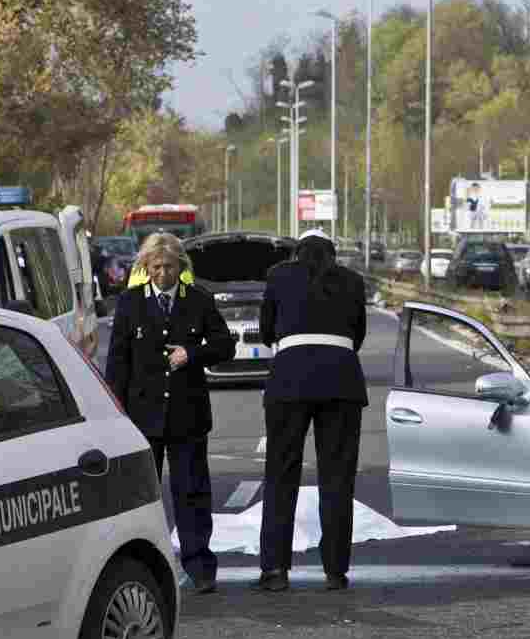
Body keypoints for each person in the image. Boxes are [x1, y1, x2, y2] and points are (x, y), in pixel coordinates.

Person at [105, 232, 235, 594]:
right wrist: (114, 417)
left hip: (187, 415)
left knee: (191, 493)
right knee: (140, 497)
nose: (163, 273)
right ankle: (143, 569)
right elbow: (117, 363)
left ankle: (200, 568)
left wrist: (192, 354)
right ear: (145, 268)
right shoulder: (130, 303)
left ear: (181, 267)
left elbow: (225, 346)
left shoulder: (198, 300)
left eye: (170, 267)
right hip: (142, 417)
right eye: (157, 267)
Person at [255, 228, 368, 592]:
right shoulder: (352, 280)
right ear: (332, 253)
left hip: (289, 380)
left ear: (298, 252)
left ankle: (275, 569)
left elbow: (266, 330)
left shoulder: (278, 275)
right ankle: (335, 569)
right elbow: (358, 334)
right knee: (337, 478)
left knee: (280, 474)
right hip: (341, 379)